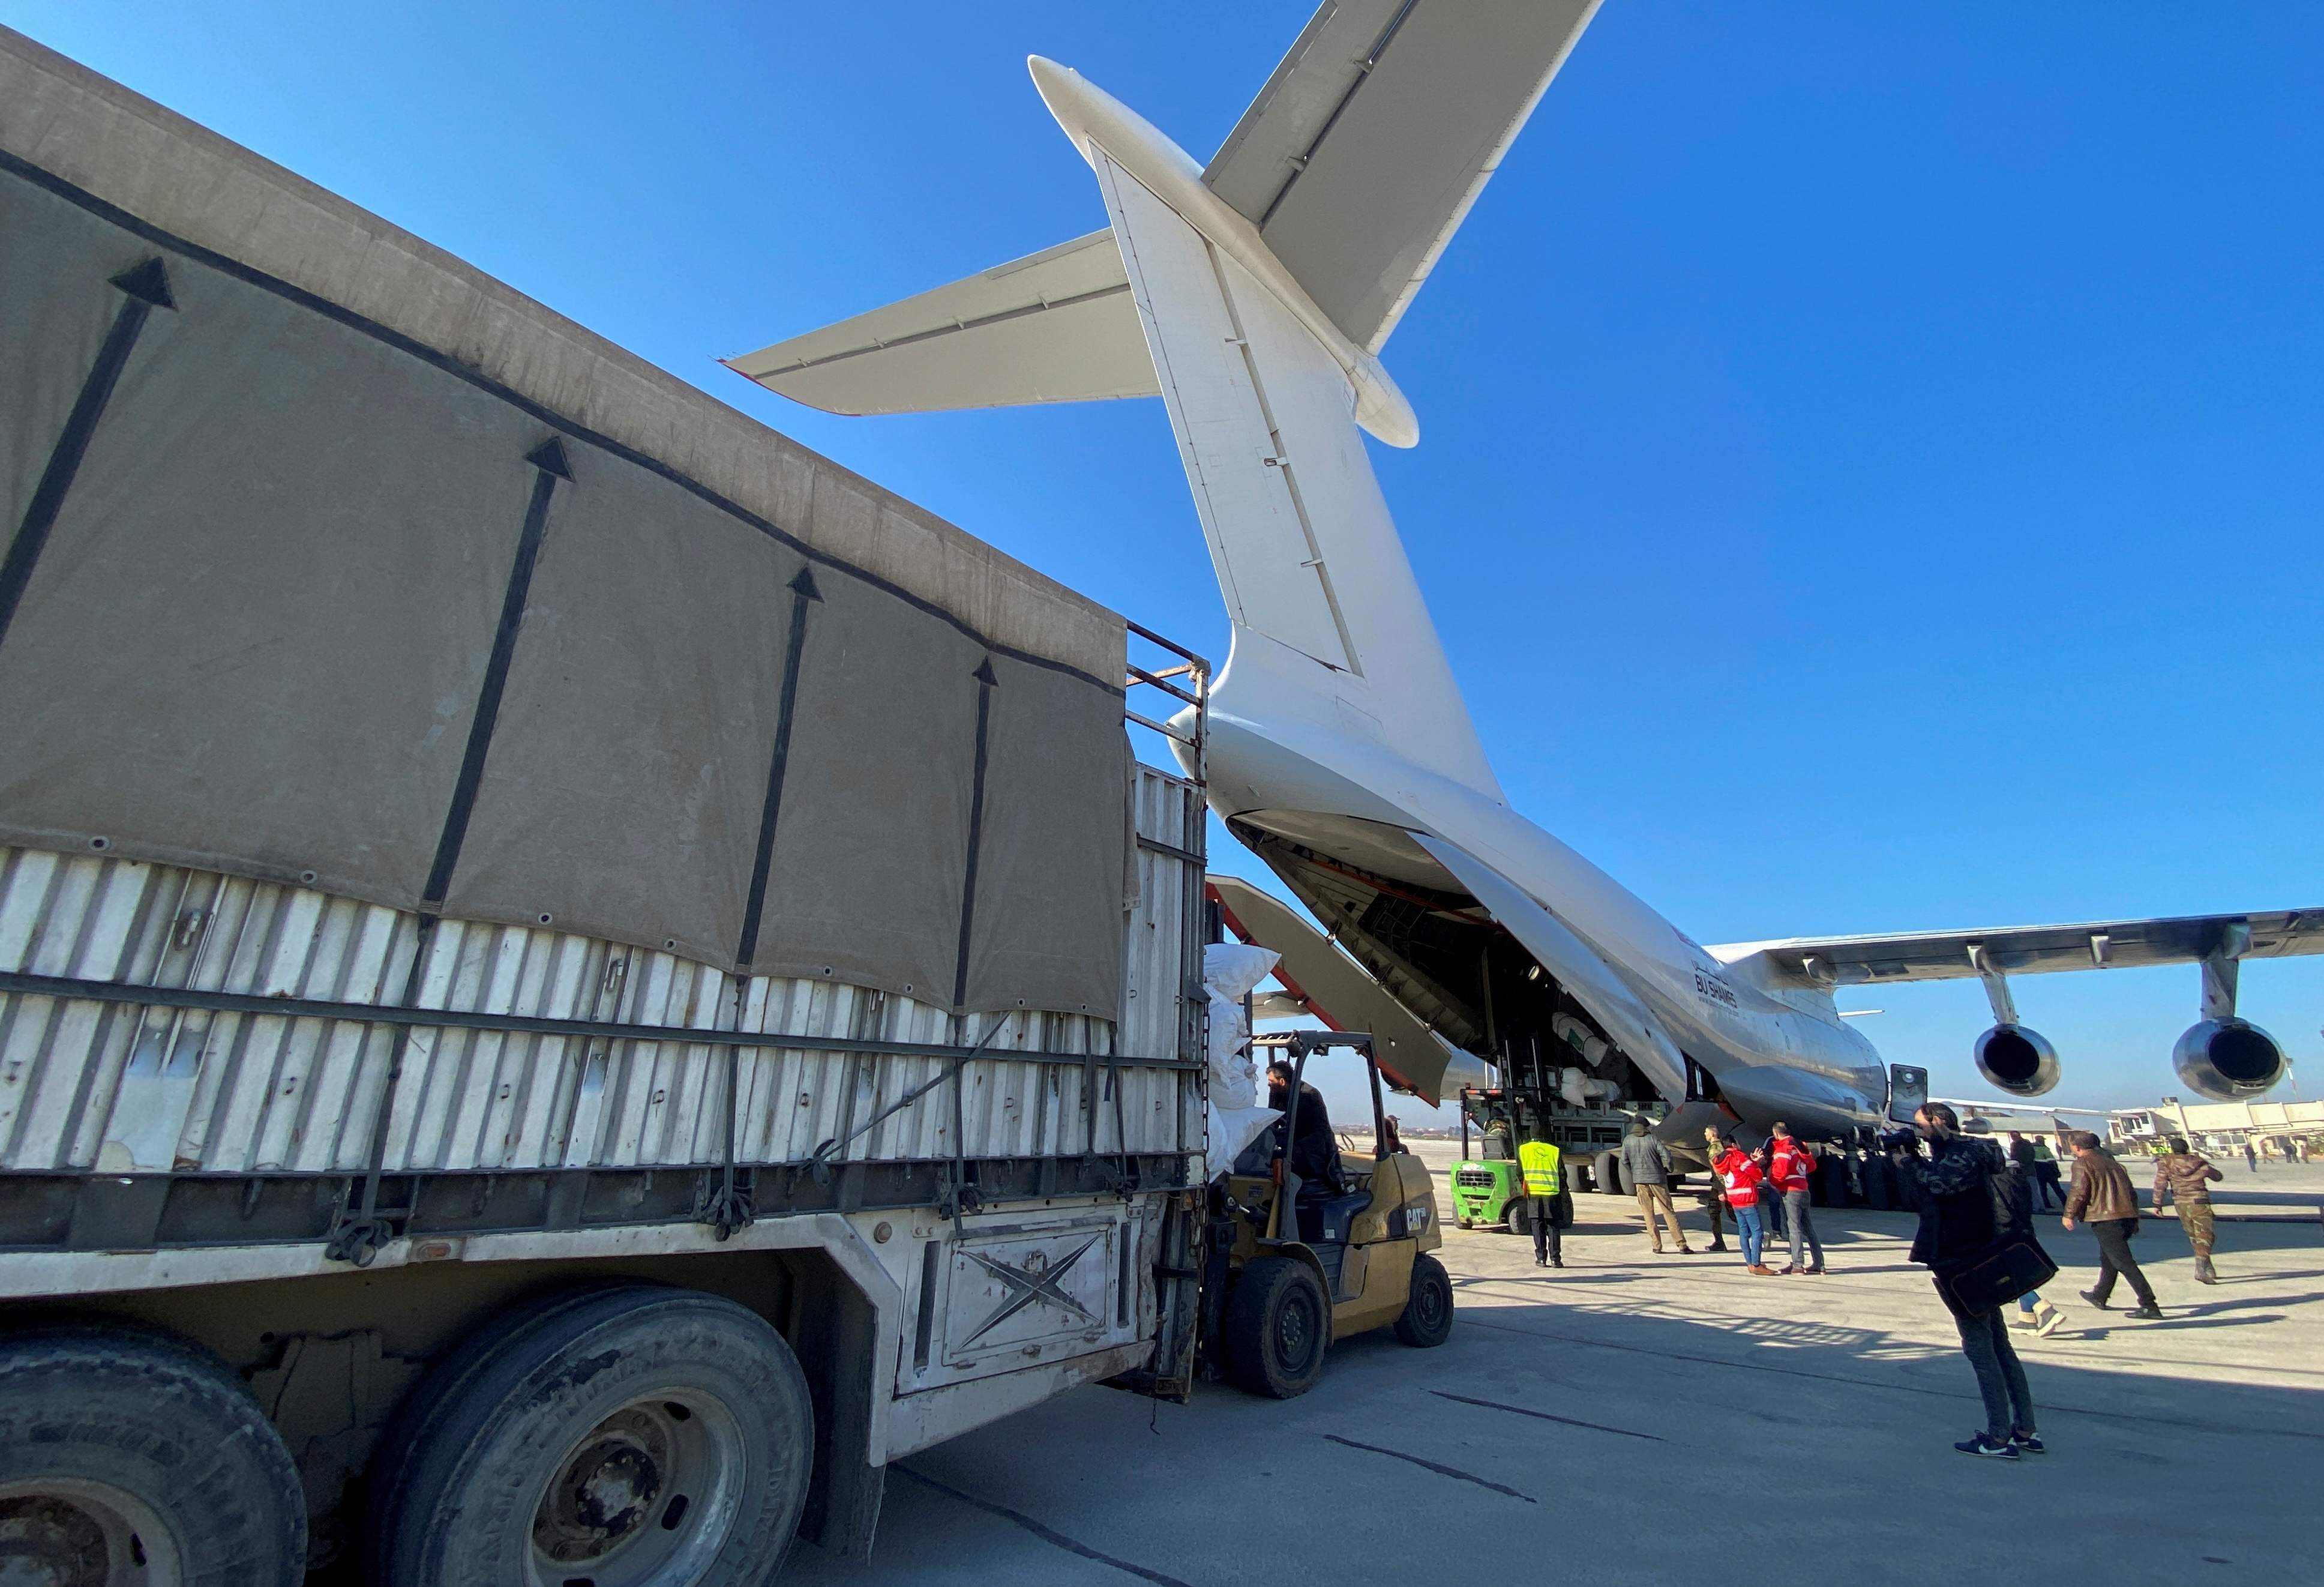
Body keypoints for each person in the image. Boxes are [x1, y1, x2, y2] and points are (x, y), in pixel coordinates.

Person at [1908, 1104, 2041, 1459]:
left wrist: (1906, 1160)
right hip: (1986, 1252)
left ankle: (1998, 1437)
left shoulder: (1959, 1156)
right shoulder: (1980, 1151)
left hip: (1964, 1258)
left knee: (1980, 1350)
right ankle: (2025, 1428)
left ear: (1938, 1122)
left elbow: (1936, 1186)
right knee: (1999, 1345)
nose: (1918, 1134)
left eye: (1921, 1127)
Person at [2063, 1130, 2160, 1319]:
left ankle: (2149, 1304)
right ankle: (2100, 1295)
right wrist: (2135, 1217)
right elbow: (2131, 1193)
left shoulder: (2082, 1164)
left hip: (2106, 1219)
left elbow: (2079, 1191)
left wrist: (2069, 1214)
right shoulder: (2114, 1164)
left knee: (2124, 1263)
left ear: (2076, 1147)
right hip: (2124, 1217)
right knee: (2109, 1259)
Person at [2152, 1137, 2225, 1284]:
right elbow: (2218, 1177)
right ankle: (2201, 1267)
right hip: (2199, 1201)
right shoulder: (2198, 1163)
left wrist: (2157, 1204)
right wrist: (2207, 1168)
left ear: (2172, 1149)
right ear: (2187, 1149)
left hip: (2180, 1203)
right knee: (2205, 1235)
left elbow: (2160, 1184)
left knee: (2193, 1235)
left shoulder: (2166, 1163)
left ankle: (2207, 1266)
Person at [1263, 1062, 1341, 1189]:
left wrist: (1300, 1147)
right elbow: (1272, 1119)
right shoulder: (1276, 1093)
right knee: (1262, 1159)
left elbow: (1322, 1131)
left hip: (1311, 1151)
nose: (1268, 1084)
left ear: (1282, 1081)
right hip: (1290, 1142)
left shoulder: (1309, 1096)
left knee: (1282, 1165)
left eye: (1271, 1081)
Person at [1621, 1117, 1691, 1253]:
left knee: (1648, 1214)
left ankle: (1656, 1246)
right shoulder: (1653, 1139)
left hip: (1640, 1181)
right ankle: (1681, 1245)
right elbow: (1667, 1156)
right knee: (1668, 1211)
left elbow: (1624, 1160)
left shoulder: (1628, 1140)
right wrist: (1668, 1169)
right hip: (1658, 1179)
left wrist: (1634, 1173)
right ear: (1646, 1127)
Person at [1768, 1122, 1825, 1274]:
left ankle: (1798, 1264)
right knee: (1808, 1228)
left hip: (1790, 1191)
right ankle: (1819, 1263)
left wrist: (1772, 1182)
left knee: (1794, 1228)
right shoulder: (1801, 1146)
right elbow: (1812, 1166)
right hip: (1804, 1189)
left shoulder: (1783, 1149)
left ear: (1776, 1134)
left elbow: (1781, 1172)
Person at [1712, 1136, 1773, 1274]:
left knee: (1744, 1233)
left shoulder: (1721, 1159)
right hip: (1747, 1200)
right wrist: (1756, 1163)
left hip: (1734, 1201)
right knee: (1757, 1232)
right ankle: (1756, 1264)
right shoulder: (1739, 1157)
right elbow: (1757, 1176)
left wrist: (1752, 1161)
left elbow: (1739, 1173)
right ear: (1734, 1144)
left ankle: (1750, 1263)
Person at [1516, 1134, 1569, 1268]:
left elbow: (1519, 1172)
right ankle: (1555, 1259)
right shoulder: (1554, 1150)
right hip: (1552, 1194)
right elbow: (1562, 1173)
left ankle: (1541, 1259)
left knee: (1537, 1226)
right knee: (1553, 1227)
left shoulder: (1523, 1150)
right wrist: (1562, 1189)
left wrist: (1525, 1184)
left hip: (1533, 1194)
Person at [2030, 1135, 2063, 1210]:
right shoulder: (2044, 1149)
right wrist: (2057, 1172)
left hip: (2038, 1173)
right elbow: (2052, 1161)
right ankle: (2065, 1203)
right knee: (2058, 1189)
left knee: (2043, 1190)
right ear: (2041, 1140)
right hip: (2049, 1173)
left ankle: (2047, 1204)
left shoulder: (2032, 1148)